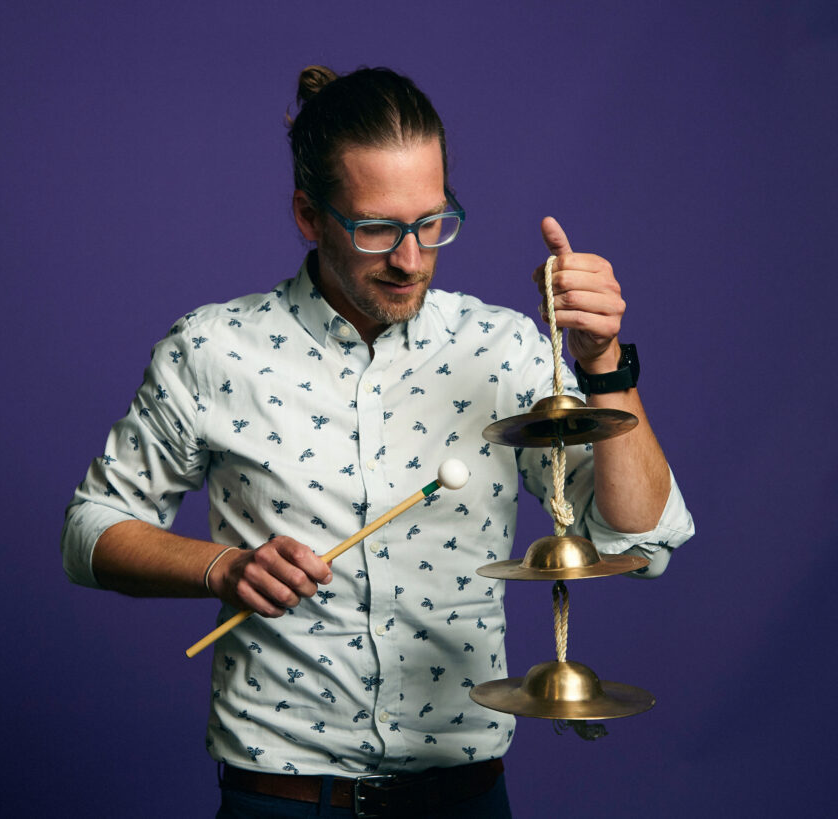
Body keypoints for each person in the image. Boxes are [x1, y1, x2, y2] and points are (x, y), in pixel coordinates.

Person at [62, 65, 694, 818]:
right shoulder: (213, 349)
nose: (411, 257)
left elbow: (643, 541)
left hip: (463, 799)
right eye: (376, 228)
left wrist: (601, 364)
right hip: (281, 798)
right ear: (308, 213)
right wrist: (222, 567)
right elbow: (88, 532)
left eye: (433, 223)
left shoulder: (503, 350)